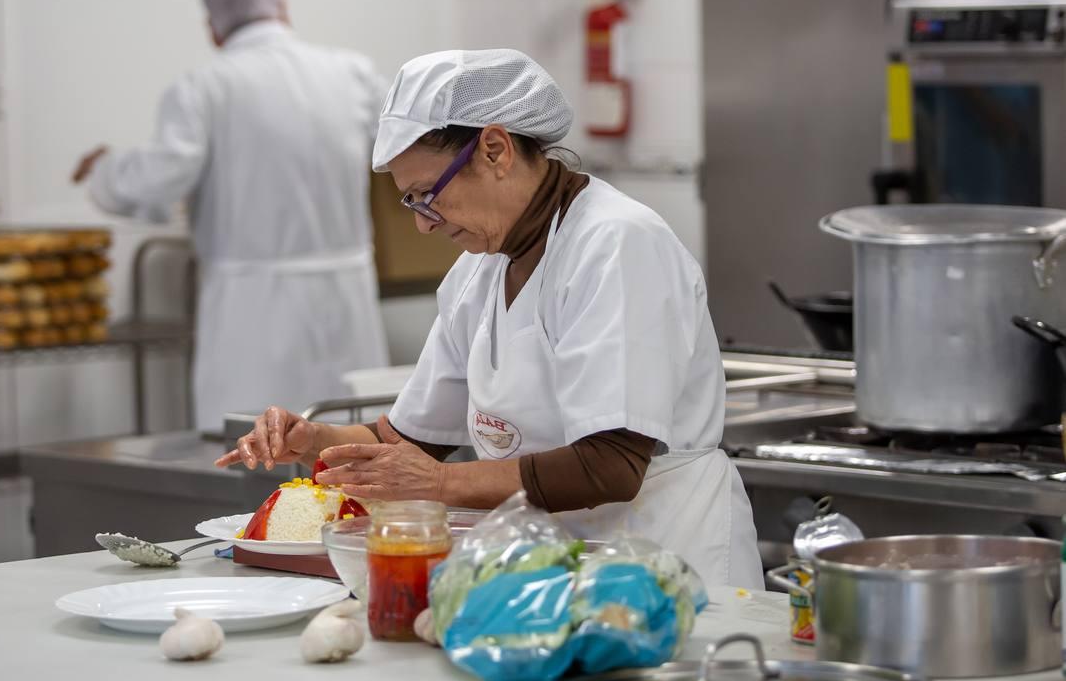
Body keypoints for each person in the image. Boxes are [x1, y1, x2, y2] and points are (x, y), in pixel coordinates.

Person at [218, 49, 762, 588]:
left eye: (428, 195)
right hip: (556, 569)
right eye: (412, 202)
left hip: (667, 564)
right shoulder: (475, 275)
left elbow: (610, 466)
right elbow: (411, 440)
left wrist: (440, 483)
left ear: (495, 149)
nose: (424, 226)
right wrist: (314, 439)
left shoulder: (615, 243)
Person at [73, 0, 389, 427]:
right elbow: (408, 149)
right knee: (354, 450)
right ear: (282, 6)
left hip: (249, 315)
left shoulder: (203, 87)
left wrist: (104, 170)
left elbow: (159, 178)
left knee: (256, 456)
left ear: (212, 29)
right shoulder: (353, 75)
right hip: (347, 303)